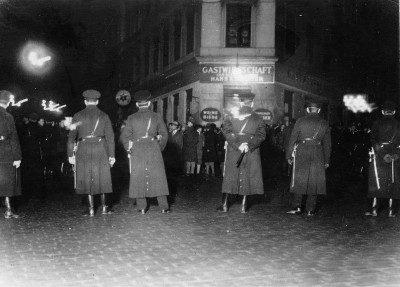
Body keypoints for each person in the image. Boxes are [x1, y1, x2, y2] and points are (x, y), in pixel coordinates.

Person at [120, 90, 171, 214]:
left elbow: (124, 137)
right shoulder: (156, 116)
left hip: (137, 148)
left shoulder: (131, 118)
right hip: (153, 147)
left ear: (137, 105)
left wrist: (129, 148)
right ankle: (164, 207)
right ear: (149, 103)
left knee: (138, 176)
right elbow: (164, 134)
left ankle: (141, 208)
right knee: (158, 176)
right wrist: (160, 148)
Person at [67, 90, 115, 216]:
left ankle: (91, 209)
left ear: (85, 101)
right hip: (101, 148)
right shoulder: (104, 116)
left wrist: (70, 154)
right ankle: (105, 207)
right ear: (97, 101)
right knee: (103, 177)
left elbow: (71, 137)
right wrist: (112, 155)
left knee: (86, 177)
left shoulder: (77, 115)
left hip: (83, 149)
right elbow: (110, 137)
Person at [218, 93, 266, 213]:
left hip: (234, 150)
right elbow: (261, 136)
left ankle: (224, 206)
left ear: (240, 103)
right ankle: (244, 207)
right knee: (248, 176)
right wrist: (249, 145)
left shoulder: (230, 116)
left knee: (230, 176)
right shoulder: (258, 118)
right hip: (251, 151)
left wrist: (238, 145)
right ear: (252, 103)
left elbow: (226, 132)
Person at [286, 102, 331, 216]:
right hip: (318, 152)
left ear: (307, 109)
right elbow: (328, 144)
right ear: (319, 110)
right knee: (314, 180)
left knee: (300, 178)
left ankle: (297, 207)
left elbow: (292, 139)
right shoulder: (324, 123)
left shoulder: (300, 121)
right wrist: (326, 161)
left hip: (302, 151)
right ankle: (311, 209)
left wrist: (289, 155)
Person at [366, 101, 400, 217]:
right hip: (394, 158)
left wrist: (382, 154)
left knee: (377, 182)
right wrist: (396, 155)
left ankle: (374, 210)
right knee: (393, 182)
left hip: (380, 158)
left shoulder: (376, 123)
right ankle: (391, 211)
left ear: (382, 112)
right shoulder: (398, 124)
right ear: (394, 112)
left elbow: (373, 141)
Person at [0, 90, 23, 218]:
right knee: (7, 182)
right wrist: (17, 157)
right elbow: (14, 138)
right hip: (5, 151)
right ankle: (9, 210)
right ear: (8, 102)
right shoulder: (8, 116)